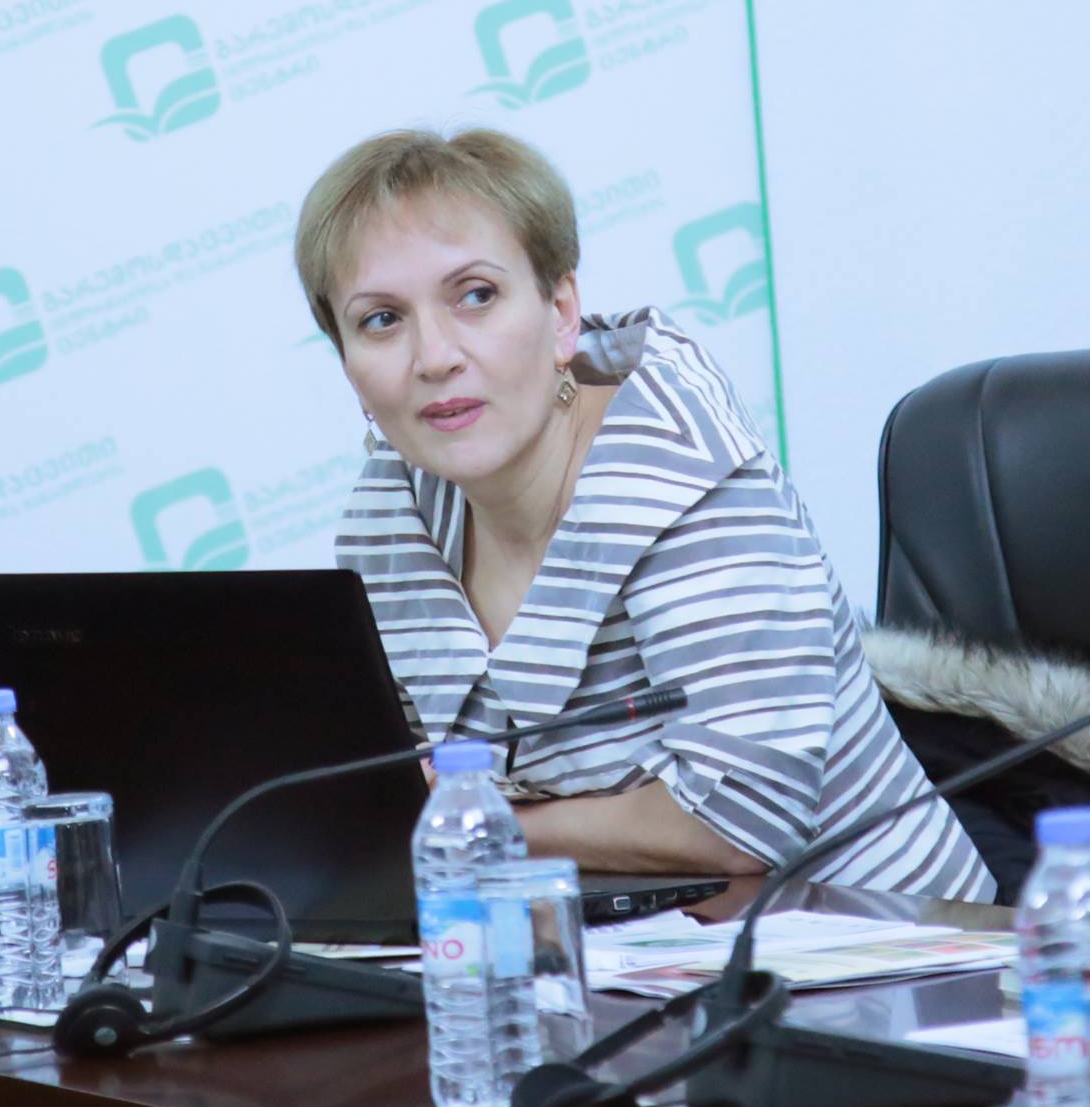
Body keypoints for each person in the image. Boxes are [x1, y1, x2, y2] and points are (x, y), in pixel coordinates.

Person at [295, 127, 990, 900]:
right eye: (381, 320)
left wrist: (485, 822)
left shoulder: (690, 473)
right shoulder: (390, 514)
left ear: (561, 311)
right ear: (348, 364)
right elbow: (398, 771)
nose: (434, 356)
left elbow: (741, 821)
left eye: (476, 296)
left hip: (885, 939)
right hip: (612, 944)